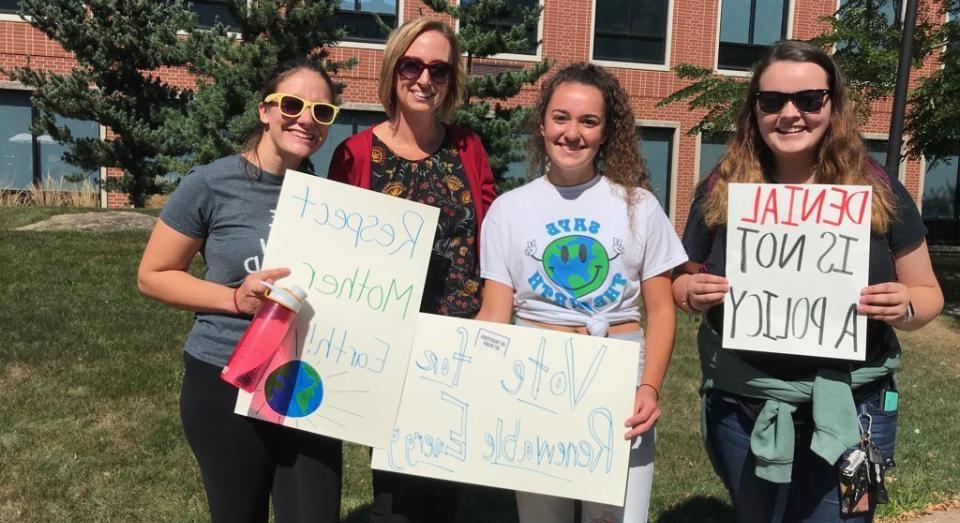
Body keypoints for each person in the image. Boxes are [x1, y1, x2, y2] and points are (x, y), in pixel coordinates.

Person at [673, 40, 944, 522]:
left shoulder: (877, 188)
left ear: (833, 106)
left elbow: (929, 296)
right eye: (772, 101)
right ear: (754, 110)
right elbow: (681, 281)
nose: (790, 114)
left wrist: (903, 305)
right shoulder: (722, 188)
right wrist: (690, 293)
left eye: (809, 100)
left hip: (856, 406)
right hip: (743, 405)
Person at [474, 62, 688, 523]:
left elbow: (661, 309)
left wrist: (649, 387)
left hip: (619, 373)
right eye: (561, 118)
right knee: (540, 517)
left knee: (615, 517)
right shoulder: (508, 211)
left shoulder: (638, 206)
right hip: (532, 377)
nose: (573, 133)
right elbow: (494, 313)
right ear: (542, 124)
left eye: (589, 121)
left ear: (607, 132)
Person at [137, 58, 343, 523]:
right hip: (226, 376)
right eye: (293, 104)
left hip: (307, 379)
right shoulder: (211, 183)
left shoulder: (330, 200)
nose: (306, 118)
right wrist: (233, 299)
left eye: (322, 111)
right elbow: (153, 274)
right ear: (265, 111)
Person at [327, 17, 496, 523]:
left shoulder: (468, 147)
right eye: (413, 65)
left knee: (446, 485)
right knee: (395, 489)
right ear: (394, 69)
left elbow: (491, 234)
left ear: (452, 81)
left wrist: (490, 317)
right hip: (389, 343)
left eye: (439, 70)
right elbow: (336, 252)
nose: (425, 79)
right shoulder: (355, 154)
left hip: (457, 337)